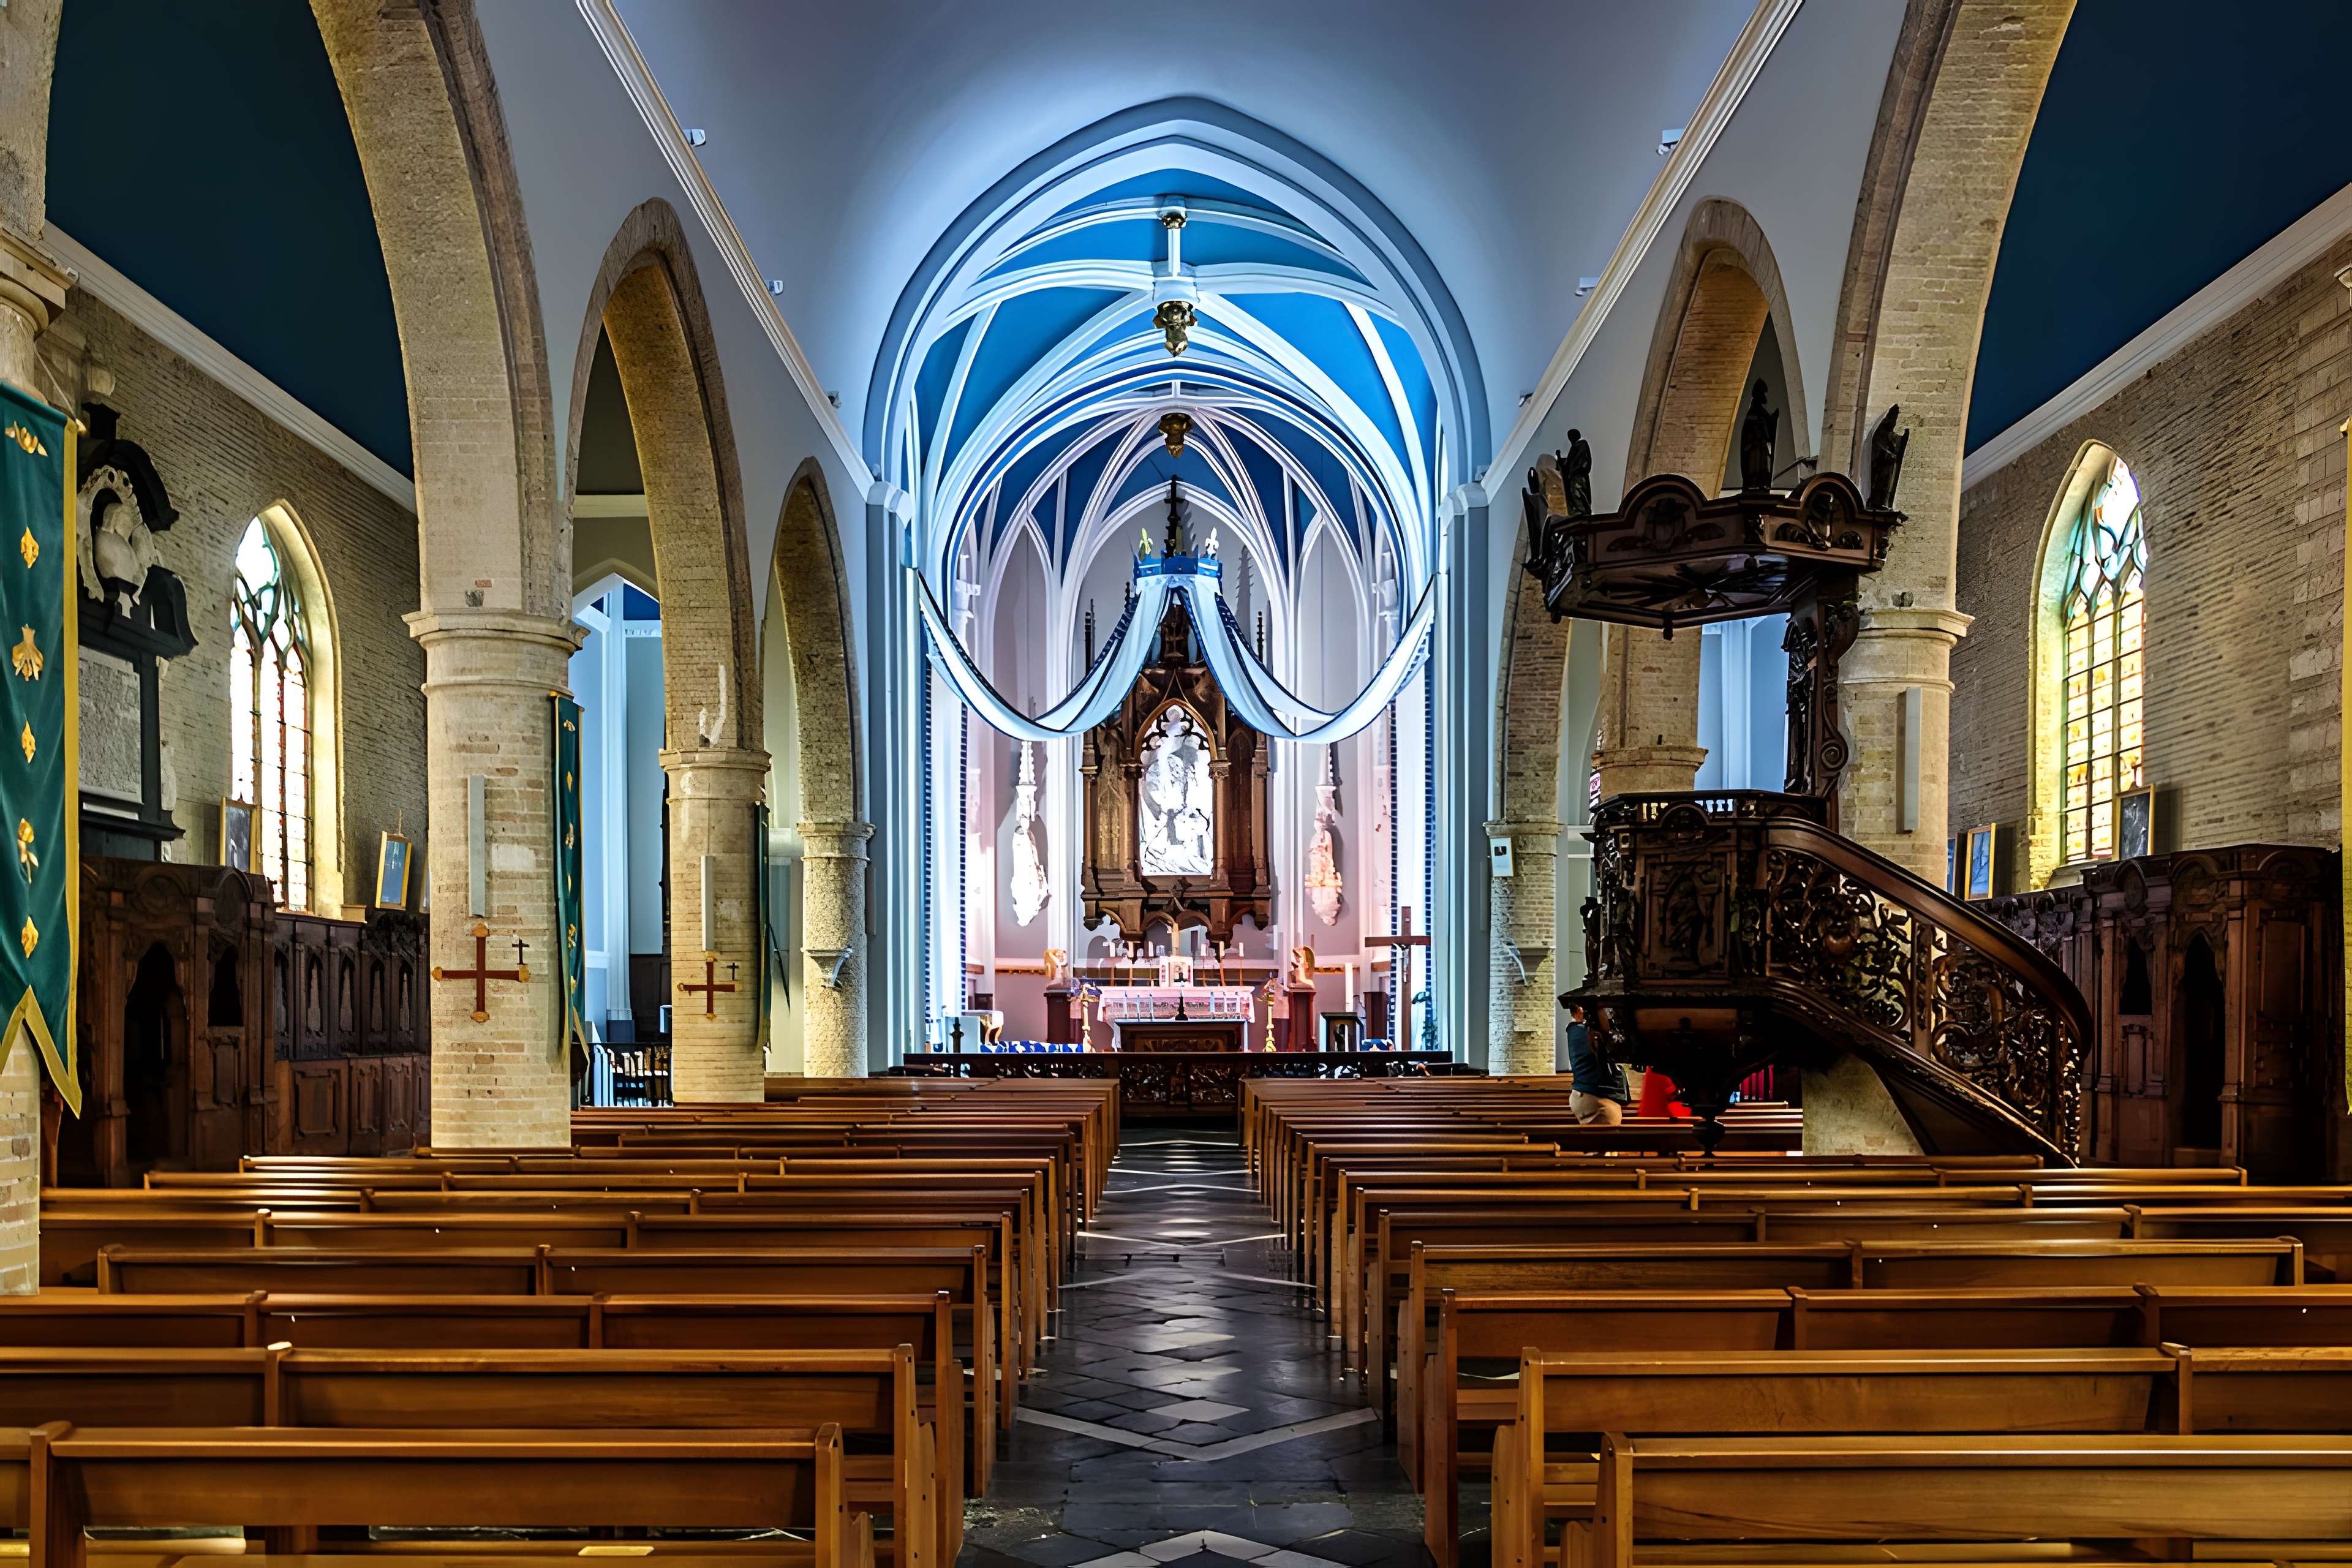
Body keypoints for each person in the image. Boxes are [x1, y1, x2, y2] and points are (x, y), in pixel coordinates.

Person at [1559, 1005, 1629, 1125]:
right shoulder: (1584, 1032)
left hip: (1589, 1095)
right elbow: (1617, 1044)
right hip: (1595, 1098)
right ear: (1580, 1011)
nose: (1608, 1014)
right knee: (1606, 1141)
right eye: (1603, 1010)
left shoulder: (1577, 1030)